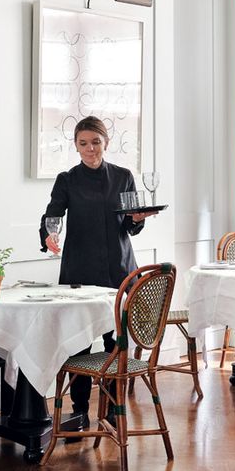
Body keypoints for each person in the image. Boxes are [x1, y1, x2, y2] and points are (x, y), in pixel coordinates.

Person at [39, 116, 147, 421]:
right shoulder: (67, 179)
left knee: (116, 341)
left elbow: (130, 225)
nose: (90, 149)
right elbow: (52, 215)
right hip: (80, 271)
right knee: (78, 343)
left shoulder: (124, 176)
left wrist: (137, 219)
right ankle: (80, 411)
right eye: (83, 143)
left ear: (106, 143)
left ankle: (114, 407)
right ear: (76, 145)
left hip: (119, 268)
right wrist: (49, 234)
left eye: (95, 142)